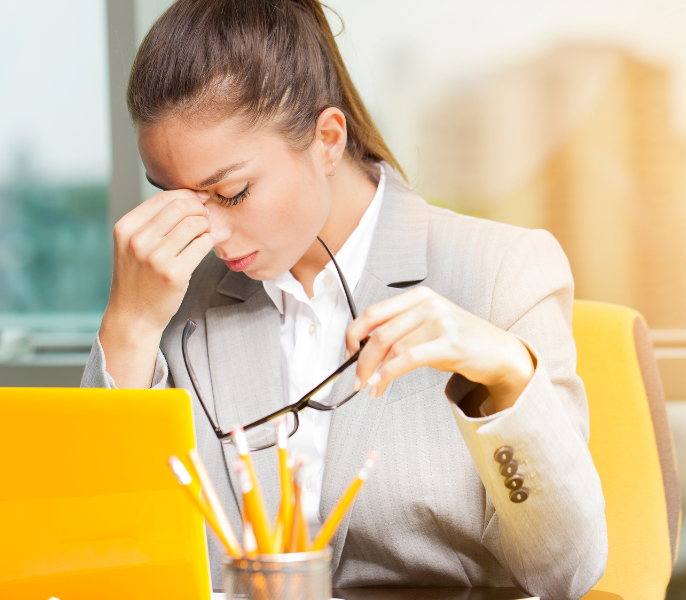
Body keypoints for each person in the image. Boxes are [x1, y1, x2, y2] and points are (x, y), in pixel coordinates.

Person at [81, 0, 607, 597]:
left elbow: (567, 571)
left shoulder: (499, 270)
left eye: (230, 192)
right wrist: (128, 326)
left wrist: (510, 377)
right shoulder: (169, 297)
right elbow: (104, 557)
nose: (209, 235)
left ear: (328, 140)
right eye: (172, 198)